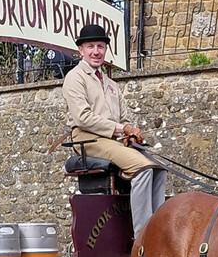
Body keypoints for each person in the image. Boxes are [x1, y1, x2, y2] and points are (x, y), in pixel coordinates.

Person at [62, 24, 167, 237]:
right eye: (90, 46)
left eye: (100, 46)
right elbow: (83, 118)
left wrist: (128, 134)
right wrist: (120, 128)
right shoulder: (75, 78)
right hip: (88, 139)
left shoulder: (111, 84)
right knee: (142, 168)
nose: (96, 51)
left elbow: (123, 118)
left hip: (112, 140)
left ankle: (158, 226)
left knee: (159, 168)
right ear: (80, 50)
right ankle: (143, 235)